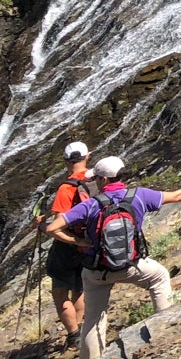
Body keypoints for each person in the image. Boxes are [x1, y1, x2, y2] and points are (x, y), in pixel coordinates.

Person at [42, 157, 181, 359]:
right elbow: (177, 196)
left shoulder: (90, 205)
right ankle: (164, 329)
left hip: (97, 271)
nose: (94, 182)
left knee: (93, 319)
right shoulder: (140, 195)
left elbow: (52, 228)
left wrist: (79, 242)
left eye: (96, 179)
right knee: (159, 277)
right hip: (131, 265)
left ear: (104, 180)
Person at [34, 141, 94, 346]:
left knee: (60, 292)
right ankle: (82, 329)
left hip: (68, 248)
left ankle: (74, 334)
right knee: (80, 288)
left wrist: (43, 226)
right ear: (88, 156)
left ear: (66, 161)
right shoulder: (98, 179)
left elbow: (59, 225)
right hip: (92, 244)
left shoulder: (67, 188)